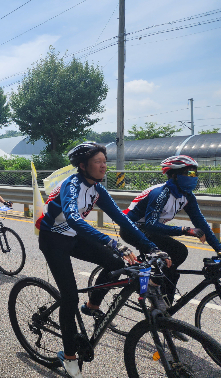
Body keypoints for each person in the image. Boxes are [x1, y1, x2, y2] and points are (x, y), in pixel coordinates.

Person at [35, 141, 170, 378]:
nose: (103, 166)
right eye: (98, 162)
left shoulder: (97, 189)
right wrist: (112, 242)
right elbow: (74, 218)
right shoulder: (72, 185)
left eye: (105, 162)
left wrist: (151, 246)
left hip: (75, 236)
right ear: (82, 165)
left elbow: (122, 218)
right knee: (69, 296)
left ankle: (93, 304)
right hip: (53, 239)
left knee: (118, 264)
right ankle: (68, 356)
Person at [121, 155, 221, 306]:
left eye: (195, 173)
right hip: (132, 229)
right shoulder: (161, 193)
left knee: (172, 273)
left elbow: (201, 224)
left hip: (149, 229)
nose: (194, 177)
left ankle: (165, 312)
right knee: (179, 251)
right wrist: (184, 229)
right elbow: (151, 225)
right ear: (175, 175)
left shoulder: (186, 195)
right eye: (189, 173)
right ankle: (153, 285)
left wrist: (219, 249)